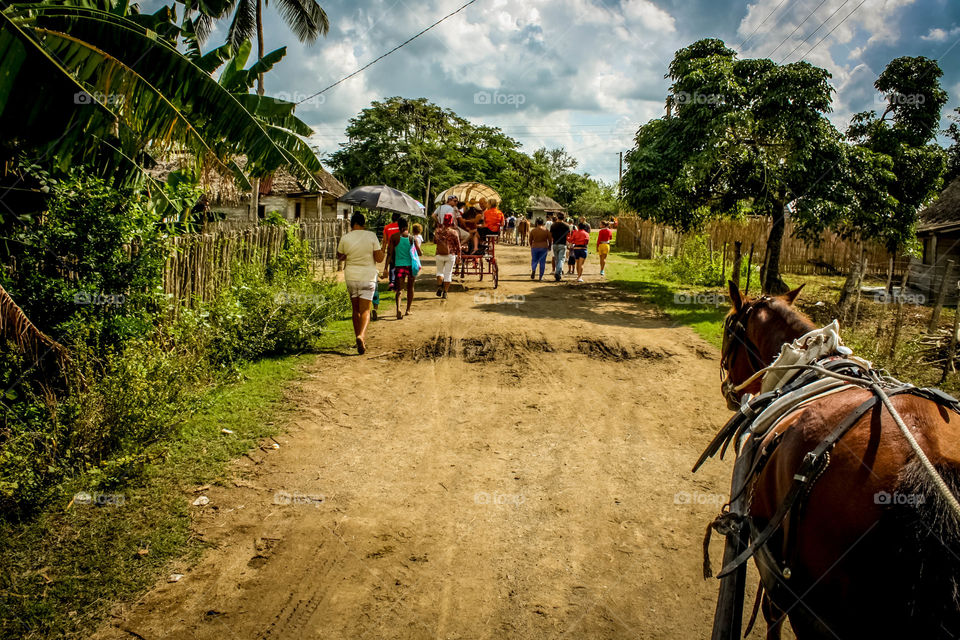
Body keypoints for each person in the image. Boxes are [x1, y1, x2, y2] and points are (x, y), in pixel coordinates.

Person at [337, 212, 384, 354]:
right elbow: (379, 258)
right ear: (364, 223)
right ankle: (361, 336)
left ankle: (358, 339)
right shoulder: (372, 236)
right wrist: (382, 249)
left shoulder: (346, 238)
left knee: (355, 309)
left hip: (351, 276)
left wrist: (351, 253)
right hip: (367, 276)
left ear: (352, 224)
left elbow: (340, 256)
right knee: (365, 310)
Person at [386, 218, 421, 319]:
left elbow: (389, 253)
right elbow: (419, 253)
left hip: (399, 265)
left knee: (399, 289)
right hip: (410, 266)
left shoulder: (394, 237)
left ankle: (398, 309)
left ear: (398, 226)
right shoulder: (411, 238)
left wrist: (385, 268)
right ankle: (408, 310)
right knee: (410, 287)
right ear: (407, 225)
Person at [434, 213, 460, 298]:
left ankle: (439, 287)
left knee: (439, 272)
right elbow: (458, 246)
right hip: (450, 255)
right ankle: (445, 292)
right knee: (448, 274)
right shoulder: (454, 232)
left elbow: (434, 241)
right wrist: (459, 256)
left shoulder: (438, 231)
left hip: (439, 254)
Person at [381, 213, 402, 290]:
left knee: (391, 265)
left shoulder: (387, 227)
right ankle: (397, 281)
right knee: (399, 265)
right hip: (400, 248)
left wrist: (383, 250)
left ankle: (392, 282)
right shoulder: (401, 227)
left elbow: (384, 240)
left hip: (391, 248)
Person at [549, 213, 571, 281]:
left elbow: (551, 235)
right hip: (562, 243)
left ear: (557, 217)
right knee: (561, 259)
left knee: (557, 259)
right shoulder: (566, 226)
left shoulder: (553, 225)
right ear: (564, 218)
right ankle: (558, 272)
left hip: (555, 243)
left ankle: (559, 274)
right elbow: (568, 235)